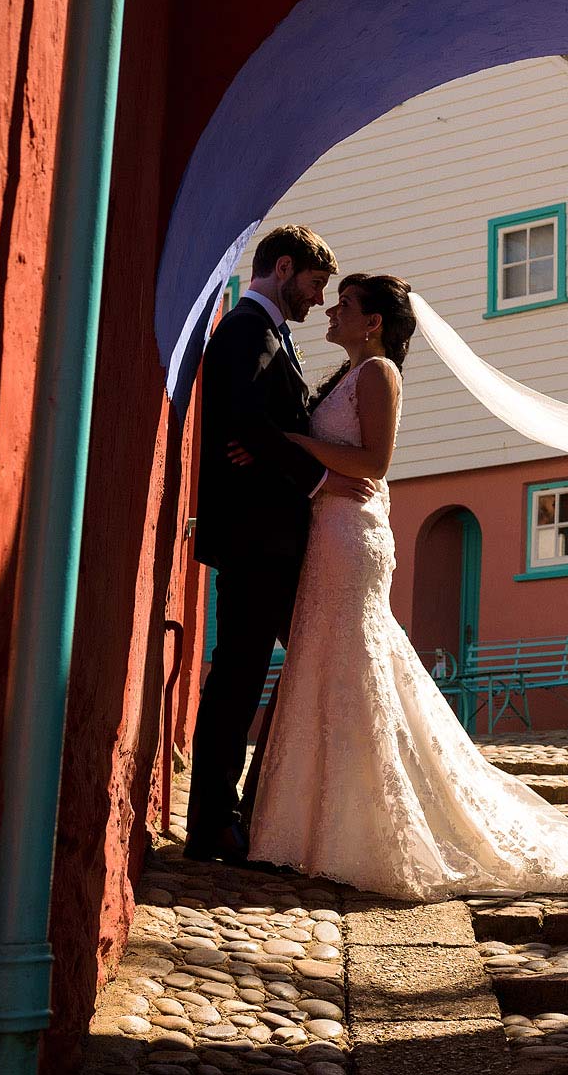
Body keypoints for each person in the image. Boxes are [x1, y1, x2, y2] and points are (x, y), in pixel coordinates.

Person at [243, 273, 568, 899]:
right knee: (331, 666)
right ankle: (314, 826)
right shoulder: (348, 376)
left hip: (351, 536)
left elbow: (374, 464)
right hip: (331, 531)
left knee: (349, 666)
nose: (332, 311)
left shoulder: (379, 375)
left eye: (345, 305)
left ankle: (358, 828)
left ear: (373, 322)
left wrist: (292, 443)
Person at [186, 225, 376, 865]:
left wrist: (269, 446)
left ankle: (249, 809)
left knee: (272, 673)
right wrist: (315, 474)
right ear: (285, 267)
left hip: (269, 534)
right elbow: (246, 420)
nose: (319, 298)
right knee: (240, 675)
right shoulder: (248, 330)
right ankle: (217, 818)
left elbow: (266, 429)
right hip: (255, 535)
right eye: (316, 284)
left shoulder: (270, 334)